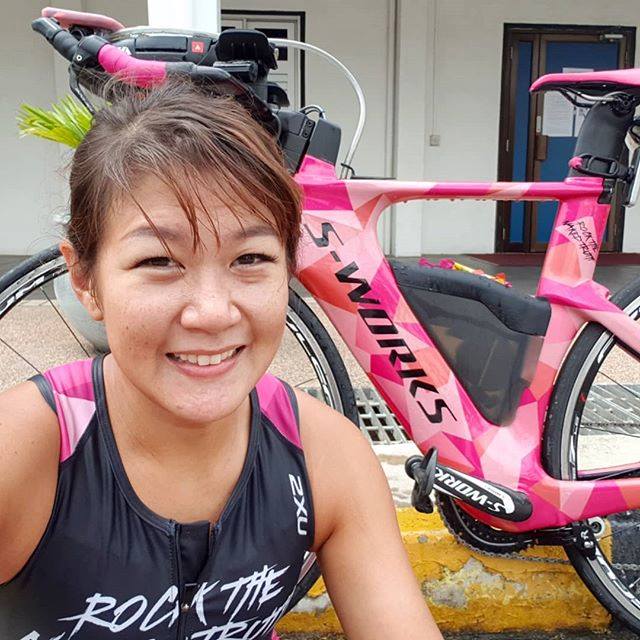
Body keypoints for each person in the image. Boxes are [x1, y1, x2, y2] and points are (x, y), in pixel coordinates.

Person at [0, 80, 444, 640]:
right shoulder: (23, 453)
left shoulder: (328, 458)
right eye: (160, 261)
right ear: (85, 280)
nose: (212, 313)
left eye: (250, 258)